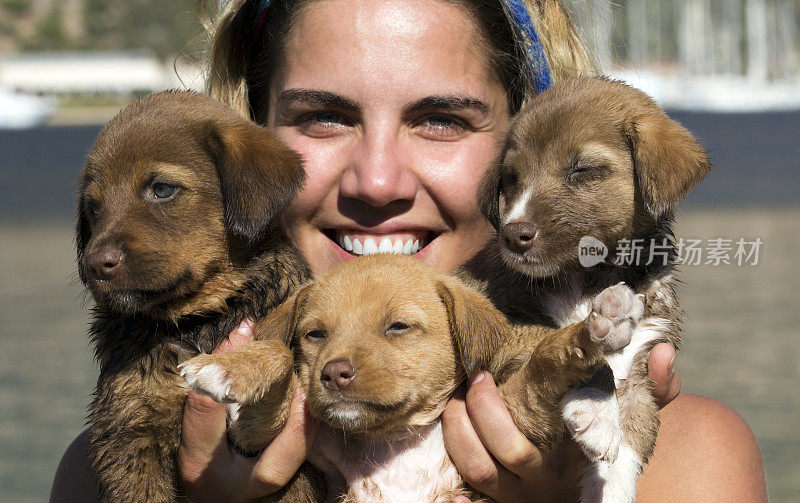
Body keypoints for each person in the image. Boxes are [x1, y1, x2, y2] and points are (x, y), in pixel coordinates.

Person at [51, 0, 767, 501]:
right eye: (324, 117)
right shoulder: (114, 469)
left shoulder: (685, 459)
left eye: (442, 120)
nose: (378, 181)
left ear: (526, 145)